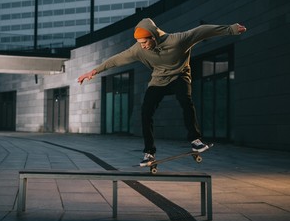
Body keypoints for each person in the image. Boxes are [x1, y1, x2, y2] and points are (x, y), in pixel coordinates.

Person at [78, 18, 247, 166]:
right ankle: (149, 152)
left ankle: (195, 140)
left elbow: (202, 31)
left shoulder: (177, 40)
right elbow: (116, 59)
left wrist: (231, 29)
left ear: (154, 36)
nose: (143, 46)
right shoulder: (138, 49)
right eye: (141, 43)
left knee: (185, 100)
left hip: (180, 76)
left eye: (145, 42)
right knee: (146, 112)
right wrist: (93, 72)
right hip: (158, 80)